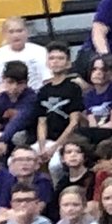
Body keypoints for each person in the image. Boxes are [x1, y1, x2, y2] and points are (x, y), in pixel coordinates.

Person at [33, 41, 85, 181]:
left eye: (60, 58)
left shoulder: (73, 88)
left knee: (55, 165)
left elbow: (74, 122)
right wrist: (43, 146)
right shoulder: (43, 91)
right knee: (20, 160)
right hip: (46, 140)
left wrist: (56, 146)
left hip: (65, 140)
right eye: (52, 58)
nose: (55, 62)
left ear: (68, 63)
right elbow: (41, 122)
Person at [0, 16, 48, 97]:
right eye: (11, 32)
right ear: (4, 34)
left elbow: (48, 80)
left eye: (19, 31)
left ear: (26, 32)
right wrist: (3, 94)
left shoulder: (40, 51)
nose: (16, 35)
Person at [46, 137, 96, 221]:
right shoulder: (62, 182)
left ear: (85, 156)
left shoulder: (92, 178)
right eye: (68, 152)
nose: (73, 155)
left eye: (78, 152)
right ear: (63, 158)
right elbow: (53, 208)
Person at [82, 55, 112, 143]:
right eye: (94, 69)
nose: (98, 73)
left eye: (103, 70)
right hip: (97, 132)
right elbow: (92, 123)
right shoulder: (89, 95)